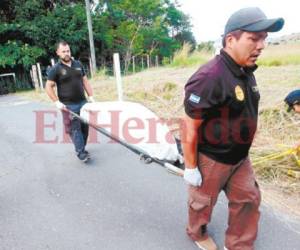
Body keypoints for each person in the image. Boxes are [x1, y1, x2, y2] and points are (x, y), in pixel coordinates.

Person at [181, 7, 284, 250]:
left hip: (239, 157)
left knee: (248, 199)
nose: (261, 46)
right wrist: (190, 167)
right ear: (231, 39)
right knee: (202, 203)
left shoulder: (245, 70)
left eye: (264, 39)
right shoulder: (209, 77)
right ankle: (196, 233)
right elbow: (188, 125)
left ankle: (238, 243)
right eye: (254, 38)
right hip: (212, 159)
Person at [45, 41, 96, 162]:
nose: (66, 53)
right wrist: (56, 102)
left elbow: (85, 81)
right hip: (68, 105)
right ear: (58, 53)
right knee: (75, 129)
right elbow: (48, 86)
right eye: (63, 51)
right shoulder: (55, 69)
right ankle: (81, 153)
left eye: (68, 51)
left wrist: (91, 96)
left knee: (85, 128)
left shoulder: (78, 64)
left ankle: (81, 147)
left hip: (83, 103)